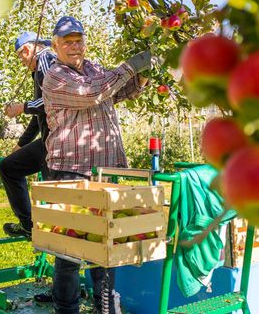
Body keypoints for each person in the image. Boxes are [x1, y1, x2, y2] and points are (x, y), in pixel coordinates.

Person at [42, 16, 157, 314]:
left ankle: (106, 307)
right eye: (67, 41)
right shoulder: (55, 76)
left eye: (78, 40)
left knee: (107, 246)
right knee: (69, 251)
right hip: (72, 171)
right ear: (55, 46)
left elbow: (116, 92)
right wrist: (130, 65)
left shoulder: (93, 68)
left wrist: (142, 76)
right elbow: (92, 93)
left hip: (107, 170)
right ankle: (66, 310)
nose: (74, 46)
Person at [0, 31, 56, 238]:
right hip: (47, 139)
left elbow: (52, 100)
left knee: (56, 197)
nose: (22, 63)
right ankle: (28, 226)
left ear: (26, 50)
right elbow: (39, 115)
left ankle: (56, 237)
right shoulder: (38, 70)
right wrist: (22, 144)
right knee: (8, 166)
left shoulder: (45, 59)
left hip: (58, 142)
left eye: (21, 58)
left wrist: (21, 107)